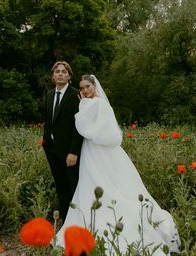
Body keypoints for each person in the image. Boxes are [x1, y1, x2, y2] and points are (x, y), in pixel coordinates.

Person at [56, 75, 181, 255]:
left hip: (97, 150)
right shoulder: (97, 103)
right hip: (92, 150)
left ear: (94, 86)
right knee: (94, 182)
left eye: (87, 87)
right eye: (82, 88)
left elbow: (83, 126)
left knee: (100, 182)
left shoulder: (96, 104)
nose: (84, 91)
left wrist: (82, 105)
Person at [43, 61, 83, 222]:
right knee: (60, 187)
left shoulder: (75, 95)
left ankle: (77, 221)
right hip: (51, 149)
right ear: (53, 76)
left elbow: (78, 126)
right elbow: (48, 121)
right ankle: (66, 221)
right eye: (57, 71)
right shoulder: (50, 94)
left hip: (69, 152)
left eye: (64, 72)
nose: (60, 74)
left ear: (69, 76)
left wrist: (74, 152)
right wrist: (46, 141)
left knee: (72, 186)